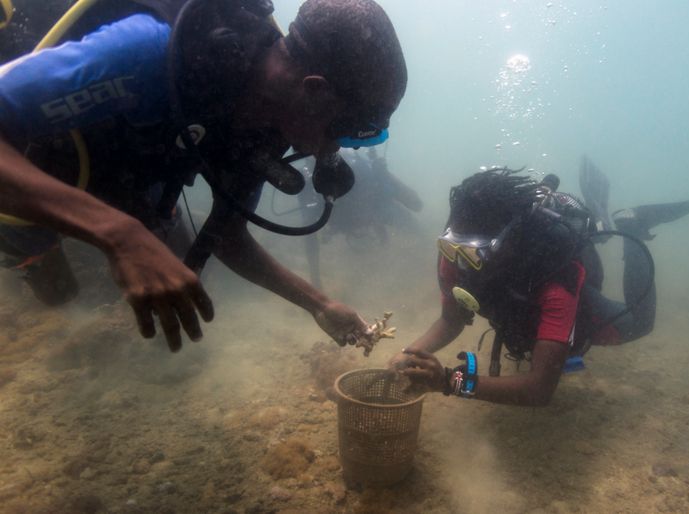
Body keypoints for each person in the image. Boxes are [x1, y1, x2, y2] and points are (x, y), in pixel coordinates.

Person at [0, 0, 408, 351]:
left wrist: (317, 303)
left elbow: (228, 235)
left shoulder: (271, 121)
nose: (331, 150)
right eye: (344, 134)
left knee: (172, 267)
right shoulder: (150, 48)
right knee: (53, 281)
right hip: (29, 167)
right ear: (314, 90)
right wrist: (119, 235)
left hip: (122, 181)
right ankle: (25, 253)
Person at [390, 160, 689, 406]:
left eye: (474, 253)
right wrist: (408, 355)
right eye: (451, 248)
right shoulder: (458, 247)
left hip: (565, 297)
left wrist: (450, 382)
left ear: (510, 239)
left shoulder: (557, 275)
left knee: (639, 325)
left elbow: (540, 390)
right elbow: (452, 319)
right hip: (519, 307)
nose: (458, 263)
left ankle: (632, 223)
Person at [298, 146, 423, 288]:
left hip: (372, 199)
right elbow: (309, 236)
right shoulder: (318, 195)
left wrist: (385, 176)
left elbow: (416, 204)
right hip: (359, 204)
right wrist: (316, 282)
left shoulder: (373, 192)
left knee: (404, 214)